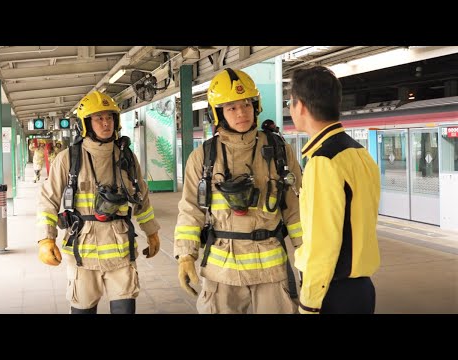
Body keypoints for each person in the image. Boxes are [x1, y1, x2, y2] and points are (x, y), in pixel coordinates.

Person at [174, 68, 303, 314]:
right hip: (221, 271)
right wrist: (185, 255)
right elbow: (191, 210)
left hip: (271, 270)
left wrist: (306, 252)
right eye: (231, 107)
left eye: (246, 104)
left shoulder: (279, 151)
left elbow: (295, 209)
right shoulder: (203, 157)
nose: (241, 112)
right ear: (218, 113)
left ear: (256, 106)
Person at [36, 90, 161, 314]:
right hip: (83, 253)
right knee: (83, 309)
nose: (106, 123)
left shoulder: (127, 157)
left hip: (121, 252)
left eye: (109, 117)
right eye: (99, 118)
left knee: (125, 309)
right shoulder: (68, 158)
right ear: (86, 124)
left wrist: (151, 232)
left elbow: (141, 197)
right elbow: (48, 200)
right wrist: (46, 239)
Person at [289, 66, 381, 314]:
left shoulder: (323, 161)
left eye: (291, 102)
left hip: (332, 292)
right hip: (361, 289)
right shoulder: (359, 153)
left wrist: (309, 302)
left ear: (301, 107)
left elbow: (323, 242)